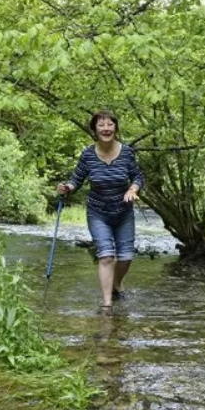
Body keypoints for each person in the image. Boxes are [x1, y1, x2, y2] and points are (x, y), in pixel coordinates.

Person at [57, 110, 144, 315]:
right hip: (98, 213)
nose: (106, 129)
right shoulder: (88, 154)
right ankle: (107, 304)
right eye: (101, 125)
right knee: (106, 256)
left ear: (116, 128)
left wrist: (133, 189)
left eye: (110, 125)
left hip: (123, 212)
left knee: (126, 257)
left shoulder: (127, 152)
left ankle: (116, 284)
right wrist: (67, 187)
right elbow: (76, 179)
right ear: (95, 130)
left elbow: (138, 176)